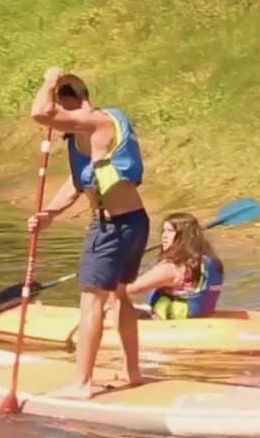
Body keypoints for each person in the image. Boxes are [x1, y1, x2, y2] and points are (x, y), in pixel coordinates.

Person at [26, 69, 149, 399]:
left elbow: (40, 112)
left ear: (72, 101)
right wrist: (50, 213)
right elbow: (80, 181)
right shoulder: (100, 128)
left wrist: (49, 80)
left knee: (91, 300)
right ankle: (133, 373)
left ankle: (82, 383)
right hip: (134, 221)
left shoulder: (94, 121)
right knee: (119, 295)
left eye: (62, 110)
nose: (58, 122)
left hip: (110, 228)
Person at [125, 212, 225, 321]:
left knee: (113, 307)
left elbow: (132, 288)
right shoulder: (201, 260)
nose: (164, 236)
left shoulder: (172, 268)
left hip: (171, 320)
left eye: (170, 231)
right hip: (198, 316)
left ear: (183, 237)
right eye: (164, 231)